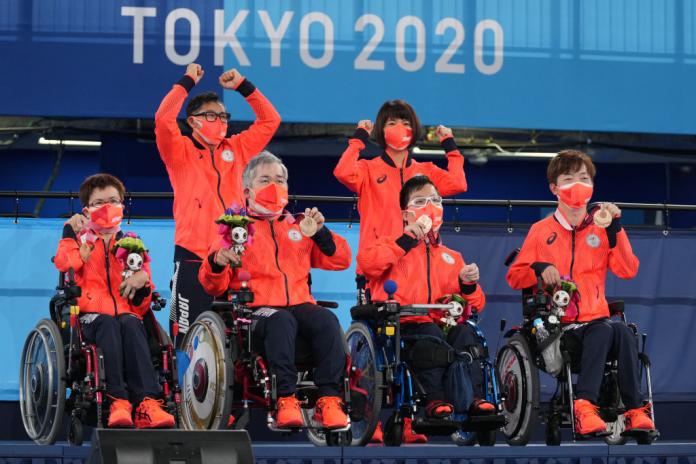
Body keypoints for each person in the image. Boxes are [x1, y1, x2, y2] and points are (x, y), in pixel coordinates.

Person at [198, 152, 352, 430]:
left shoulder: (299, 227)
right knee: (281, 319)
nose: (274, 186)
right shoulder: (233, 229)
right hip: (256, 311)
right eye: (265, 179)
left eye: (280, 180)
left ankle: (329, 399)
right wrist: (217, 262)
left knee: (326, 319)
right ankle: (286, 399)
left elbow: (340, 260)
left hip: (299, 303)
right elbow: (212, 284)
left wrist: (320, 232)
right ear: (248, 190)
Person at [506, 150, 656, 436]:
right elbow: (514, 276)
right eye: (569, 178)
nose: (578, 184)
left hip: (598, 324)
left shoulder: (602, 230)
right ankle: (584, 406)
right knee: (604, 330)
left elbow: (628, 270)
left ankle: (635, 409)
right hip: (559, 329)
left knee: (623, 331)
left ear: (592, 187)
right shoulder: (541, 231)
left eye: (584, 178)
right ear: (554, 188)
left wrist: (616, 229)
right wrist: (538, 267)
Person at [358, 175, 495, 444]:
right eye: (421, 201)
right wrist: (408, 239)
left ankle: (476, 399)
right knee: (429, 331)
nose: (430, 206)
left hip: (443, 326)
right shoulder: (389, 245)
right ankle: (435, 401)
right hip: (404, 325)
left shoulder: (452, 257)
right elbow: (368, 265)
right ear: (405, 213)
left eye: (435, 200)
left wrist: (468, 286)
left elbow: (475, 305)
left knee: (467, 333)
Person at [155, 63, 281, 345]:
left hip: (235, 254)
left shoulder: (236, 149)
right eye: (210, 115)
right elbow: (163, 118)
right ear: (192, 121)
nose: (220, 121)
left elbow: (270, 121)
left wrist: (243, 86)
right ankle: (184, 386)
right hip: (193, 254)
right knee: (188, 335)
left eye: (223, 116)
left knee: (237, 336)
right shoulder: (179, 151)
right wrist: (187, 81)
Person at [54, 173, 175, 429]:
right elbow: (67, 264)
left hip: (125, 313)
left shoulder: (132, 244)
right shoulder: (78, 239)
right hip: (89, 314)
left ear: (122, 204)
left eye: (113, 200)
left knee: (132, 323)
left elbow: (142, 304)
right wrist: (69, 231)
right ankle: (118, 401)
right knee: (108, 323)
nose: (107, 206)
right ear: (87, 209)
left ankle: (147, 404)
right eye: (99, 202)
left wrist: (142, 283)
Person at [333, 100, 467, 298]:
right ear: (381, 130)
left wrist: (448, 142)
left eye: (406, 123)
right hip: (378, 264)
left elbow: (458, 183)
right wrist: (359, 137)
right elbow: (342, 172)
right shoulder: (368, 169)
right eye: (391, 123)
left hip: (417, 265)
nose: (399, 129)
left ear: (414, 131)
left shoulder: (426, 170)